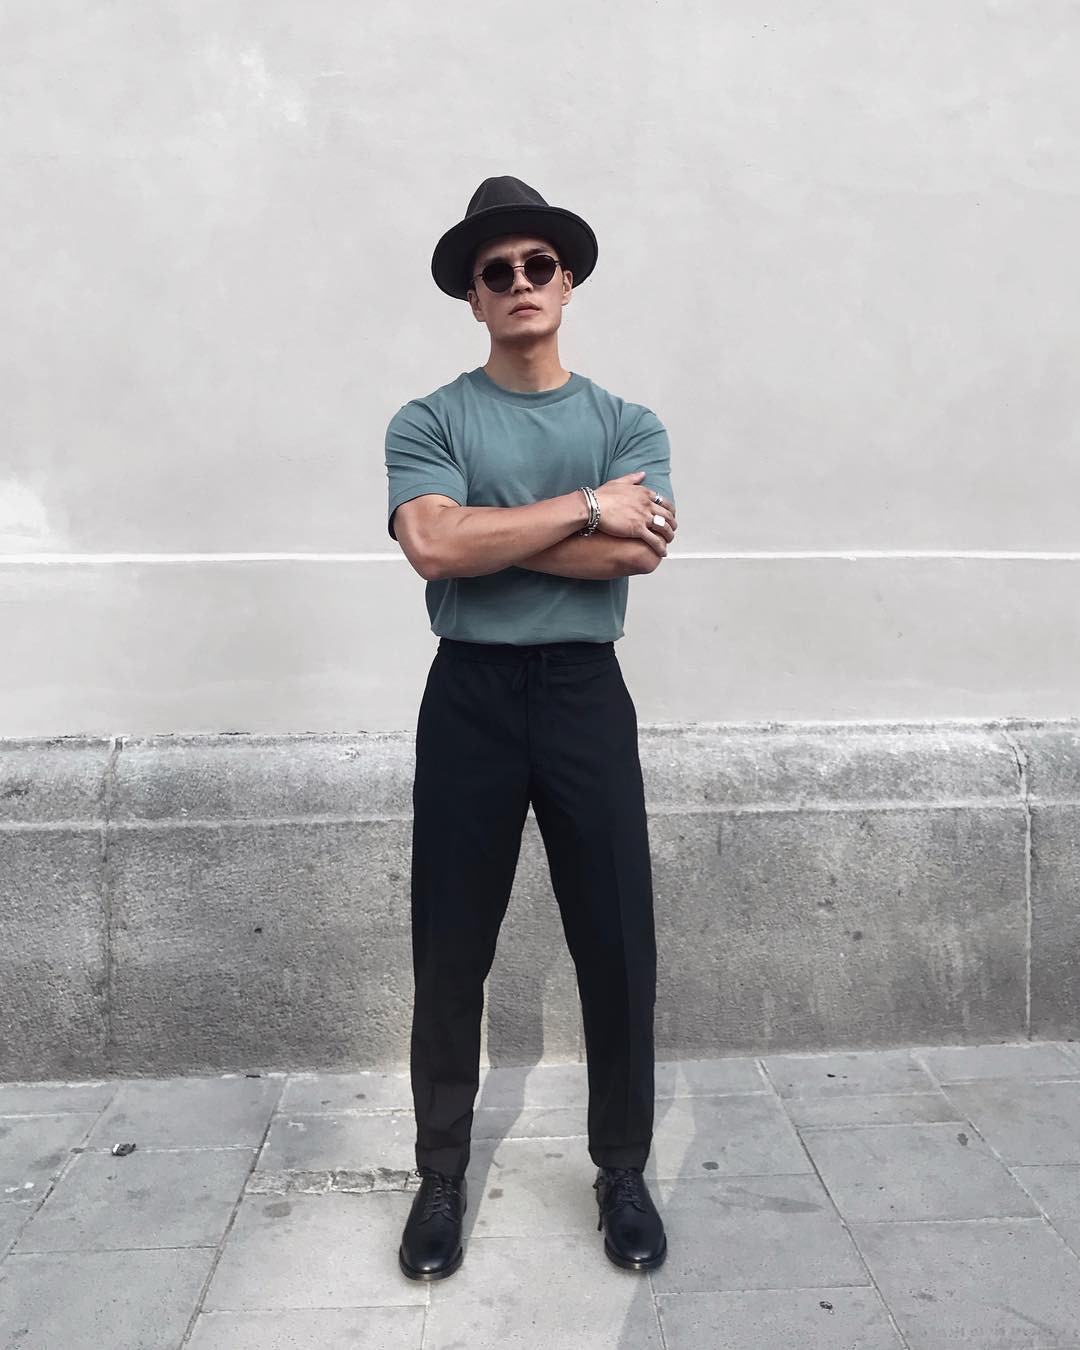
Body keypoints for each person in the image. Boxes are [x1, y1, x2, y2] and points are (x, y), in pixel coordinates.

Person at [384, 175, 677, 1281]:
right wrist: (586, 508)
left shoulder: (627, 423)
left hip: (583, 694)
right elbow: (433, 548)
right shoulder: (429, 420)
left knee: (617, 939)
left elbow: (637, 554)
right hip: (468, 695)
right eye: (495, 271)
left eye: (537, 265)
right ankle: (441, 1174)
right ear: (473, 296)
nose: (519, 282)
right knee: (451, 943)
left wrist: (490, 533)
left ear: (567, 281)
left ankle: (623, 1169)